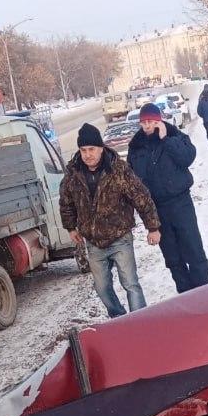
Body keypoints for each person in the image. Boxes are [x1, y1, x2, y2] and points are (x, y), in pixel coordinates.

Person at [59, 123, 161, 319]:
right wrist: (70, 227)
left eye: (92, 149)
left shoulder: (118, 169)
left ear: (101, 148)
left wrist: (153, 227)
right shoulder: (73, 174)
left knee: (130, 283)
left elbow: (141, 197)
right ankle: (119, 319)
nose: (87, 154)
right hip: (94, 242)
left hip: (120, 237)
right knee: (102, 288)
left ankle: (141, 322)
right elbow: (66, 202)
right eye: (83, 150)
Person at [128, 104, 208, 294]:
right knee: (173, 257)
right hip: (157, 209)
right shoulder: (136, 146)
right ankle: (186, 296)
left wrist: (166, 139)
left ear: (160, 120)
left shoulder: (175, 136)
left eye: (151, 121)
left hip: (181, 203)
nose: (147, 126)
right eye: (144, 122)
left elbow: (187, 157)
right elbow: (132, 179)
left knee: (193, 249)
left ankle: (205, 294)